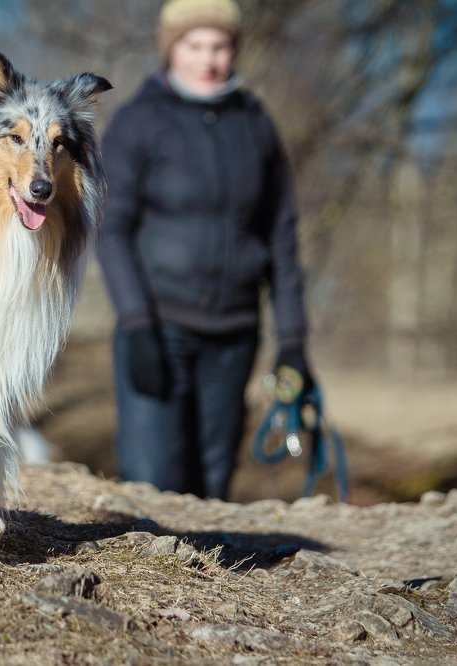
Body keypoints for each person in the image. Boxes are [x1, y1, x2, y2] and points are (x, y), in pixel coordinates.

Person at [97, 0, 316, 500]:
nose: (208, 59)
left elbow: (281, 238)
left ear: (234, 49)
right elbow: (112, 231)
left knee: (212, 486)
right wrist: (136, 325)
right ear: (171, 48)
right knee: (154, 486)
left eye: (219, 45)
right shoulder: (138, 121)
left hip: (235, 337)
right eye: (194, 45)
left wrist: (293, 343)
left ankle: (208, 581)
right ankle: (148, 582)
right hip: (158, 329)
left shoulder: (256, 124)